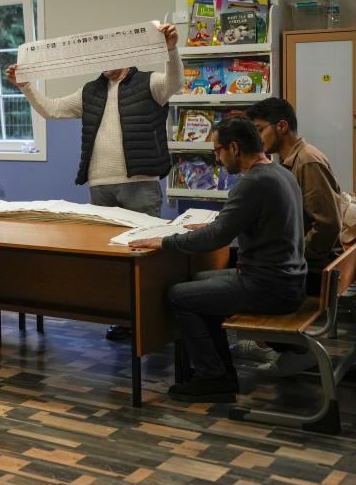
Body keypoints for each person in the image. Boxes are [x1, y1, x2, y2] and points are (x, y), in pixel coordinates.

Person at [6, 23, 181, 341]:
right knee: (111, 260)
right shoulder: (91, 91)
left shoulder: (150, 83)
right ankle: (124, 318)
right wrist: (26, 86)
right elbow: (51, 110)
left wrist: (170, 50)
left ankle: (149, 321)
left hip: (140, 184)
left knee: (144, 258)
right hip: (100, 185)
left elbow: (175, 82)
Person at [129, 117, 307, 402]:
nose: (217, 157)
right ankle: (219, 371)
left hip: (268, 287)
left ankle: (214, 378)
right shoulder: (280, 173)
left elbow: (216, 240)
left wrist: (163, 240)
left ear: (234, 148)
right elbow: (237, 224)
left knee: (178, 296)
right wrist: (212, 227)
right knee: (197, 282)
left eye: (218, 150)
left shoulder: (251, 183)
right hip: (288, 281)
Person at [233, 98, 344, 373]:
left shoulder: (306, 162)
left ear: (281, 126)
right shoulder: (288, 161)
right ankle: (267, 341)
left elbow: (327, 226)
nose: (255, 139)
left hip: (314, 271)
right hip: (308, 264)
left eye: (259, 130)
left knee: (234, 274)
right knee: (236, 260)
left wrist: (290, 260)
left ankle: (277, 343)